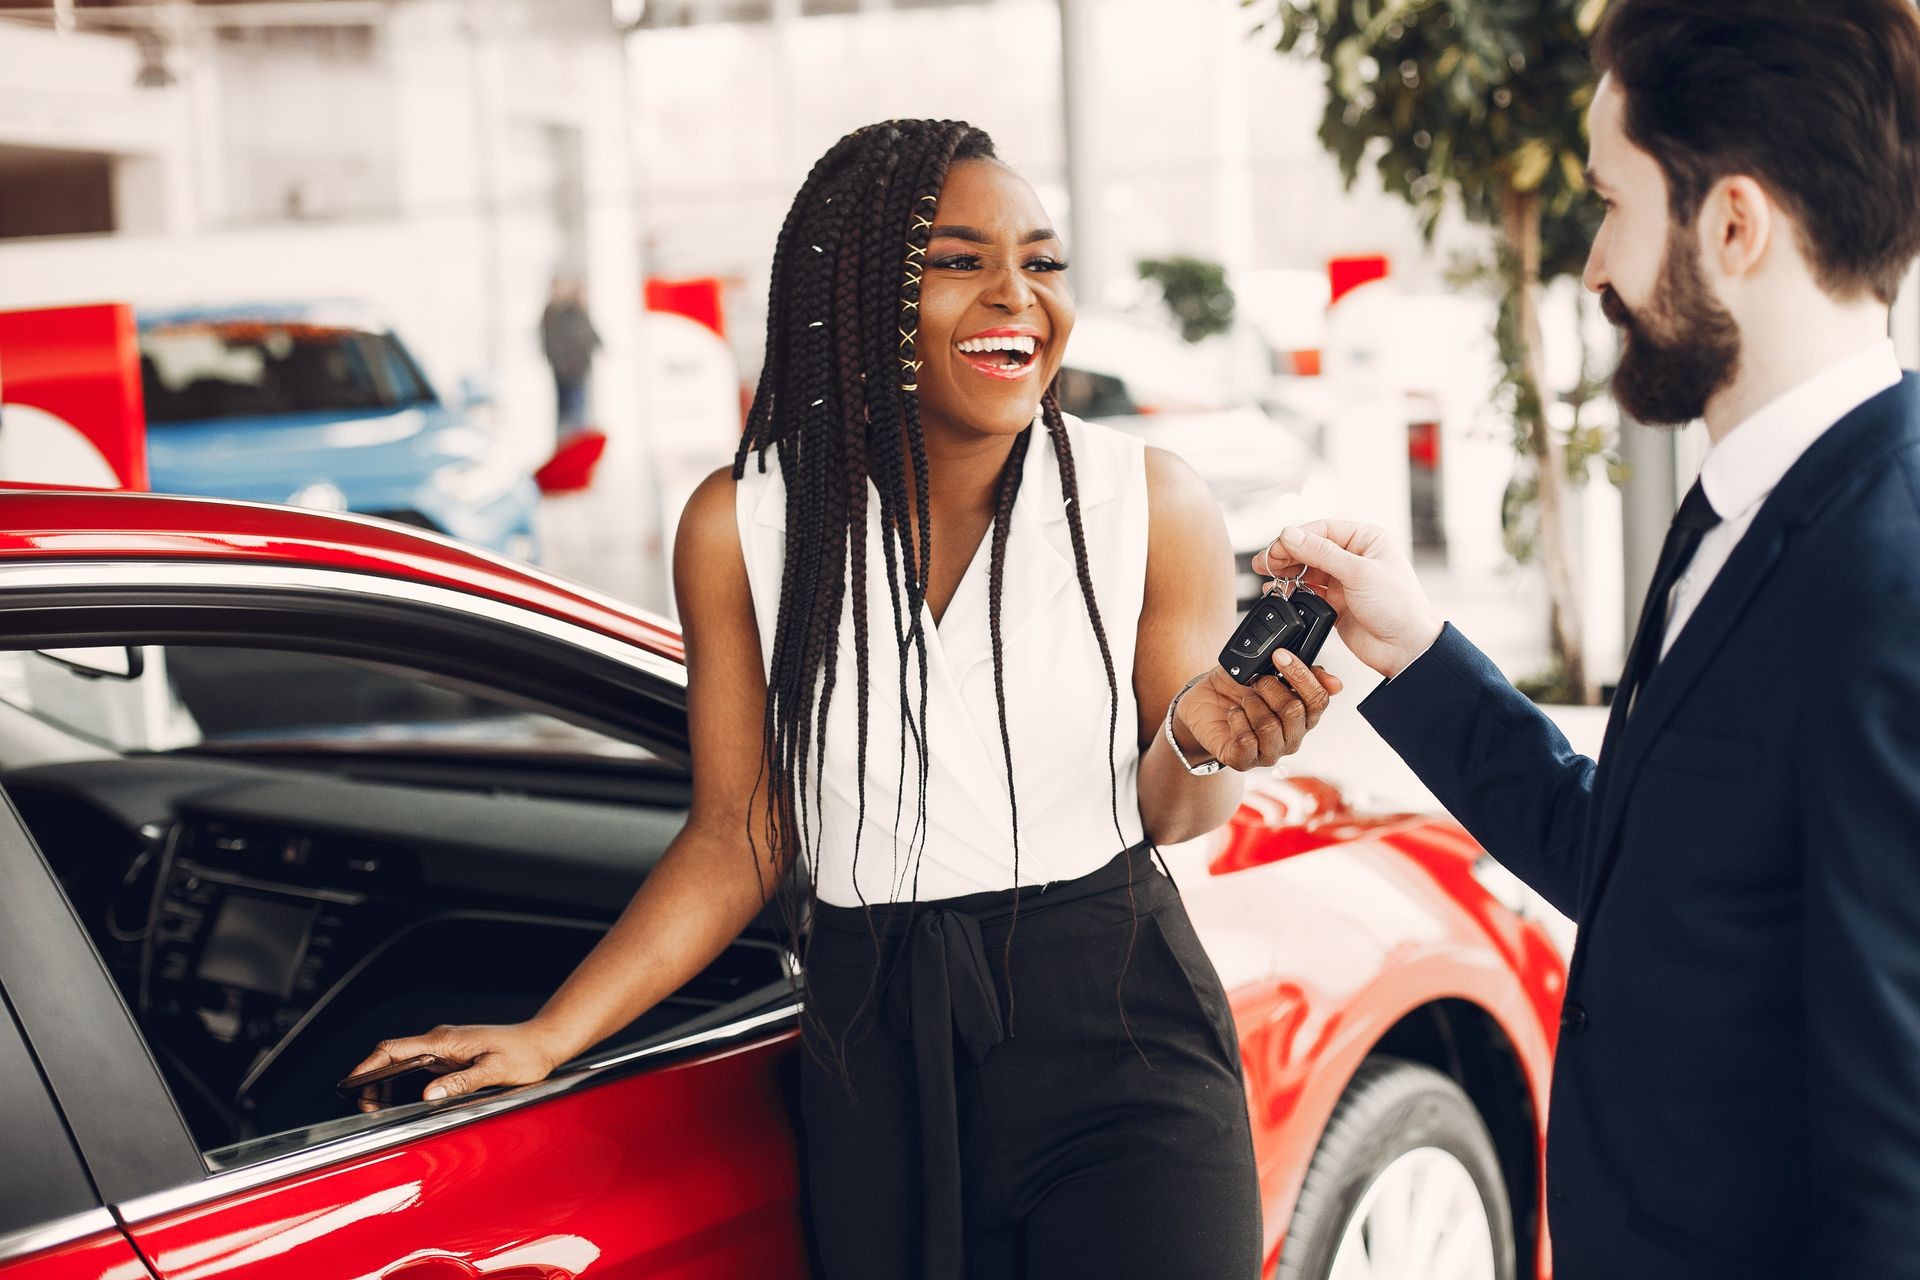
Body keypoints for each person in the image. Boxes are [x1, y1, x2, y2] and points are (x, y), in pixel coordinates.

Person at [349, 119, 1343, 1278]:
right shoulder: (743, 525)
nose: (1018, 296)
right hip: (877, 1045)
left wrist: (1206, 741)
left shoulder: (1149, 500)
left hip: (1120, 1028)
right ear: (860, 292)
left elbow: (1176, 812)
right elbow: (740, 836)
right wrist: (550, 1033)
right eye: (960, 261)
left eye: (1042, 260)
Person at [1265, 3, 1920, 1276]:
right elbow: (1632, 863)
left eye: (1611, 205)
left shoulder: (1886, 582)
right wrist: (1416, 645)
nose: (1592, 266)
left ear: (1734, 225)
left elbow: (1897, 1153)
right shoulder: (1739, 507)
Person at [540, 276, 600, 434]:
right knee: (568, 409)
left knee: (577, 408)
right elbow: (552, 342)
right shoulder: (556, 313)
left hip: (578, 369)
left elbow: (591, 336)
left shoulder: (579, 313)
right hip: (565, 370)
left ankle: (574, 442)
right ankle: (567, 443)